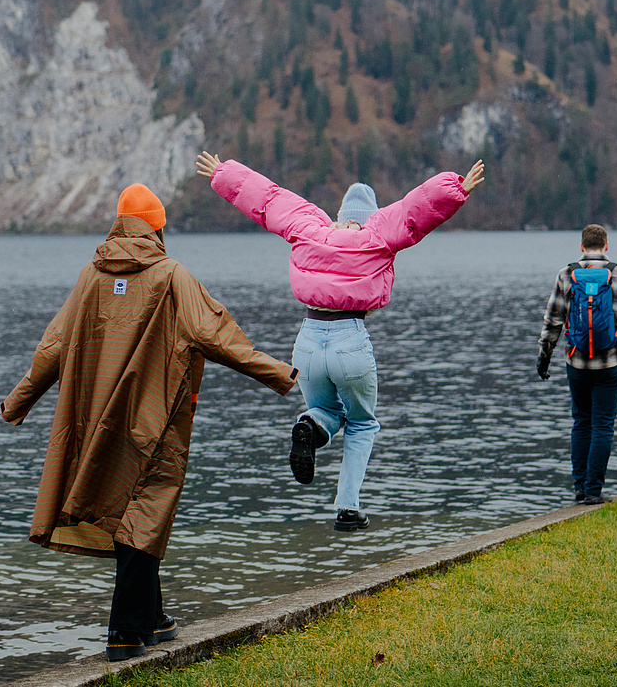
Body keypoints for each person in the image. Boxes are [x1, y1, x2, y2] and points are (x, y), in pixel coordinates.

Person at [0, 183, 296, 662]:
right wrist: (283, 374)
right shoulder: (172, 277)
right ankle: (124, 633)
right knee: (144, 514)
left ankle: (153, 618)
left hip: (97, 423)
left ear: (119, 225)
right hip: (154, 422)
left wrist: (16, 402)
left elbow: (52, 347)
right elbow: (218, 334)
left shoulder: (90, 278)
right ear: (157, 227)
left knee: (129, 514)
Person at [194, 151, 484, 531]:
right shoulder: (379, 234)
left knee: (327, 413)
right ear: (370, 216)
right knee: (362, 424)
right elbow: (418, 210)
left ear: (339, 214)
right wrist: (456, 189)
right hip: (350, 339)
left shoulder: (308, 227)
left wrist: (223, 173)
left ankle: (309, 428)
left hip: (308, 341)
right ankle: (348, 508)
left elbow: (266, 199)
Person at [537, 223, 617, 505]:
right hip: (610, 363)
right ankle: (593, 490)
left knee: (580, 422)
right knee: (602, 425)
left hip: (575, 361)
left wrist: (544, 355)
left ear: (581, 247)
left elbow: (552, 320)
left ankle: (580, 489)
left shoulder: (566, 275)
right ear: (606, 245)